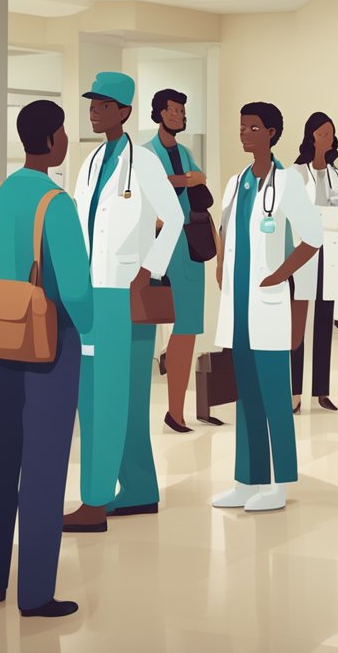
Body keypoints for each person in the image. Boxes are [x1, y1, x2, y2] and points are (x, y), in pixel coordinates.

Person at [0, 100, 93, 618]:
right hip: (52, 350)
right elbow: (77, 290)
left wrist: (2, 310)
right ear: (55, 140)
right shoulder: (56, 204)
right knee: (43, 469)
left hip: (0, 349)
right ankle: (35, 594)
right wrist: (88, 326)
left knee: (2, 461)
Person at [63, 72, 184, 533]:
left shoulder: (145, 162)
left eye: (104, 105)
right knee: (126, 401)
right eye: (91, 103)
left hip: (124, 294)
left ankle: (95, 501)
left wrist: (146, 271)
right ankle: (139, 489)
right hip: (93, 291)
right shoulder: (91, 160)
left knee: (102, 401)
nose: (94, 111)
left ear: (125, 112)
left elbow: (172, 219)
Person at [212, 102, 322, 513]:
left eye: (254, 128)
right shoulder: (235, 182)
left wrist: (280, 275)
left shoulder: (288, 182)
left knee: (275, 396)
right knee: (247, 397)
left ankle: (277, 484)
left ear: (272, 133)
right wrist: (222, 264)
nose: (245, 134)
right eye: (242, 127)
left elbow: (311, 238)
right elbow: (225, 228)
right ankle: (248, 479)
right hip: (238, 305)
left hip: (267, 302)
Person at [143, 88, 209, 433]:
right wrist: (184, 180)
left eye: (182, 110)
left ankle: (175, 412)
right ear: (159, 113)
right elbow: (147, 192)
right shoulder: (144, 154)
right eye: (172, 110)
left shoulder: (185, 151)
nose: (178, 116)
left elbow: (200, 181)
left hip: (187, 247)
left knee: (187, 328)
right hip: (154, 249)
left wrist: (181, 181)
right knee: (142, 327)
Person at [291, 112, 338, 413]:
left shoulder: (336, 174)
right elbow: (296, 214)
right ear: (312, 135)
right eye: (323, 133)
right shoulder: (297, 173)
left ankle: (321, 392)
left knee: (325, 321)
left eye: (331, 133)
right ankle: (295, 393)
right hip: (303, 254)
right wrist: (326, 218)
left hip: (331, 252)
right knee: (297, 326)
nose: (328, 138)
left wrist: (324, 218)